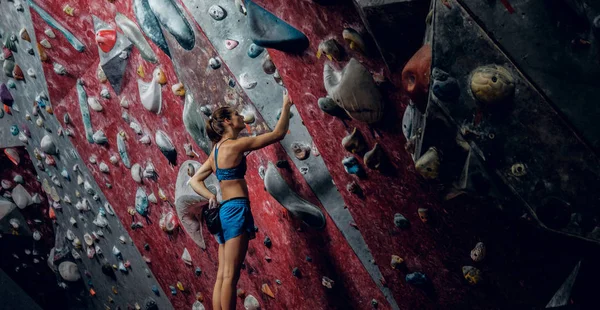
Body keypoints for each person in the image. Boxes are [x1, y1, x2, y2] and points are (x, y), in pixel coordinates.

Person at [189, 90, 293, 310]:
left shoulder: (215, 151)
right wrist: (286, 105)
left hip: (223, 212)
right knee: (230, 276)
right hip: (235, 210)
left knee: (222, 275)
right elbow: (278, 134)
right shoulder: (235, 145)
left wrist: (211, 197)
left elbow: (195, 180)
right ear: (227, 121)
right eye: (236, 114)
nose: (240, 117)